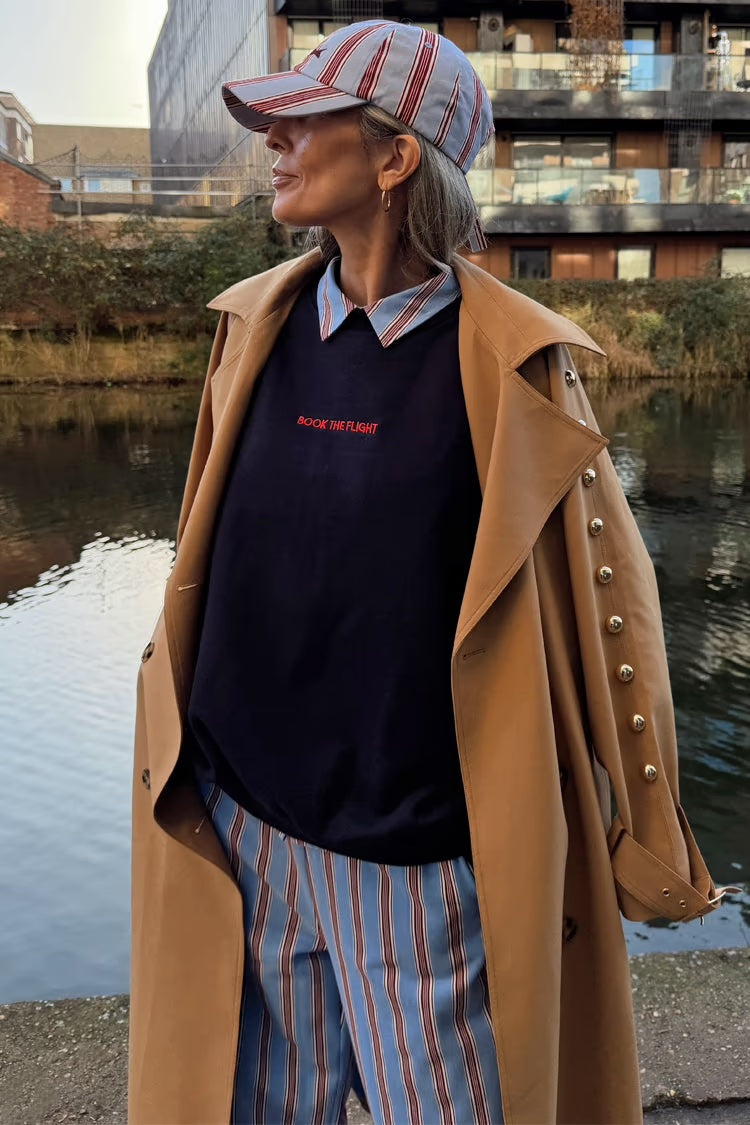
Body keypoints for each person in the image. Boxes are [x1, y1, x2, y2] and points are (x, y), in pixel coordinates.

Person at [128, 20, 729, 1125]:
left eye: (304, 121)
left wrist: (650, 831)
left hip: (418, 867)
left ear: (395, 157)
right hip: (236, 834)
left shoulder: (515, 365)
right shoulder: (251, 329)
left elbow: (616, 610)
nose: (273, 141)